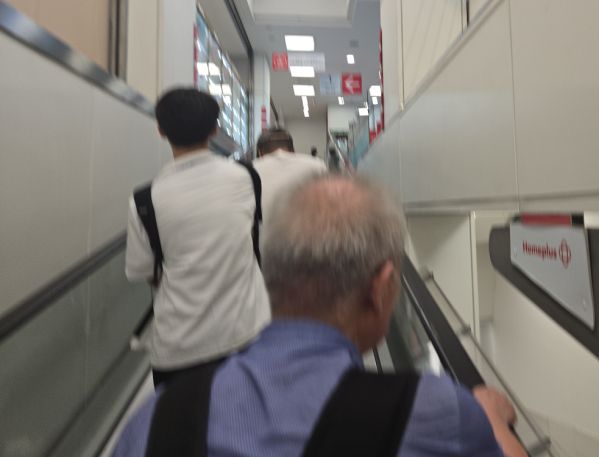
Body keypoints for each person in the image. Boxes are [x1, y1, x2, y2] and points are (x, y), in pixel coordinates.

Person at [113, 176, 526, 457]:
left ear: (270, 272)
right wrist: (492, 420)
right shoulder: (431, 411)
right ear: (380, 288)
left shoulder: (158, 417)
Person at [125, 88, 270, 388]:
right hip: (247, 334)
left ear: (161, 131)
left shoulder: (144, 200)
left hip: (178, 348)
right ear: (215, 129)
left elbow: (142, 270)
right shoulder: (245, 177)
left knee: (180, 420)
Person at [253, 127, 327, 219]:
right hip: (305, 226)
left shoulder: (249, 169)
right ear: (293, 150)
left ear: (260, 152)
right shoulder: (317, 165)